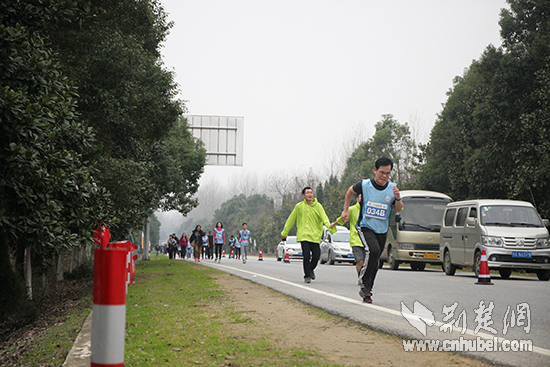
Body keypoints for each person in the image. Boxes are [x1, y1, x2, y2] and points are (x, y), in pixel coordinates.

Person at [340, 156, 403, 303]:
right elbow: (349, 192)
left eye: (387, 173)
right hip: (366, 226)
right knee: (373, 251)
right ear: (375, 170)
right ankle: (363, 280)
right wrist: (345, 211)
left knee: (375, 261)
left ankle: (367, 290)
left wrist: (398, 198)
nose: (384, 176)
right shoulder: (364, 185)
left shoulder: (392, 188)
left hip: (382, 229)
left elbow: (398, 209)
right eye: (382, 172)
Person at [281, 187, 336, 283]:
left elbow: (325, 218)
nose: (310, 194)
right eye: (307, 193)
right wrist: (284, 233)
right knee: (306, 256)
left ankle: (310, 269)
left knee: (316, 256)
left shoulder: (318, 206)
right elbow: (291, 220)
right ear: (303, 195)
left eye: (311, 192)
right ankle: (307, 275)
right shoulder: (299, 207)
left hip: (315, 236)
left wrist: (330, 227)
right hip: (304, 235)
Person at [332, 194, 363, 285]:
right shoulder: (352, 209)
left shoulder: (369, 209)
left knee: (367, 262)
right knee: (360, 260)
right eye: (361, 197)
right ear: (357, 199)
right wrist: (334, 223)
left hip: (368, 239)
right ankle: (360, 277)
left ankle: (366, 277)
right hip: (356, 239)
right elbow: (342, 218)